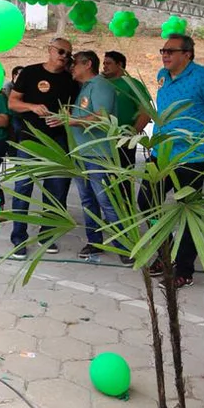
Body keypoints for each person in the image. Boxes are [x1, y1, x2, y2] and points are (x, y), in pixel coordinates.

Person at [140, 34, 204, 289]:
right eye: (163, 51)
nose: (164, 55)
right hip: (161, 154)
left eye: (170, 51)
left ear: (187, 54)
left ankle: (184, 269)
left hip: (191, 157)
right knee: (146, 202)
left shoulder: (201, 77)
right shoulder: (162, 75)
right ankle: (165, 255)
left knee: (188, 211)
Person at [7, 37, 79, 258]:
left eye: (68, 54)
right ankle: (18, 235)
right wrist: (31, 106)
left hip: (57, 142)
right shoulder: (30, 73)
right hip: (29, 140)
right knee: (23, 188)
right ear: (49, 50)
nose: (64, 57)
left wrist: (65, 117)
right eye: (61, 51)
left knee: (56, 190)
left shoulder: (70, 80)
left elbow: (74, 111)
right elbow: (12, 103)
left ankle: (48, 234)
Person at [67, 51, 131, 264]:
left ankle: (125, 247)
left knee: (107, 201)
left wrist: (72, 121)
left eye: (75, 64)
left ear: (88, 64)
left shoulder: (101, 85)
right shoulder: (85, 88)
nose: (72, 68)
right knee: (87, 201)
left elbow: (103, 118)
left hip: (98, 154)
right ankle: (94, 241)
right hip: (82, 153)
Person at [102, 50, 152, 167]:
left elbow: (146, 112)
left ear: (120, 65)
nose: (104, 66)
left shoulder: (132, 84)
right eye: (104, 63)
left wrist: (131, 136)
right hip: (101, 141)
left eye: (108, 63)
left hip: (123, 141)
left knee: (124, 180)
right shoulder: (100, 83)